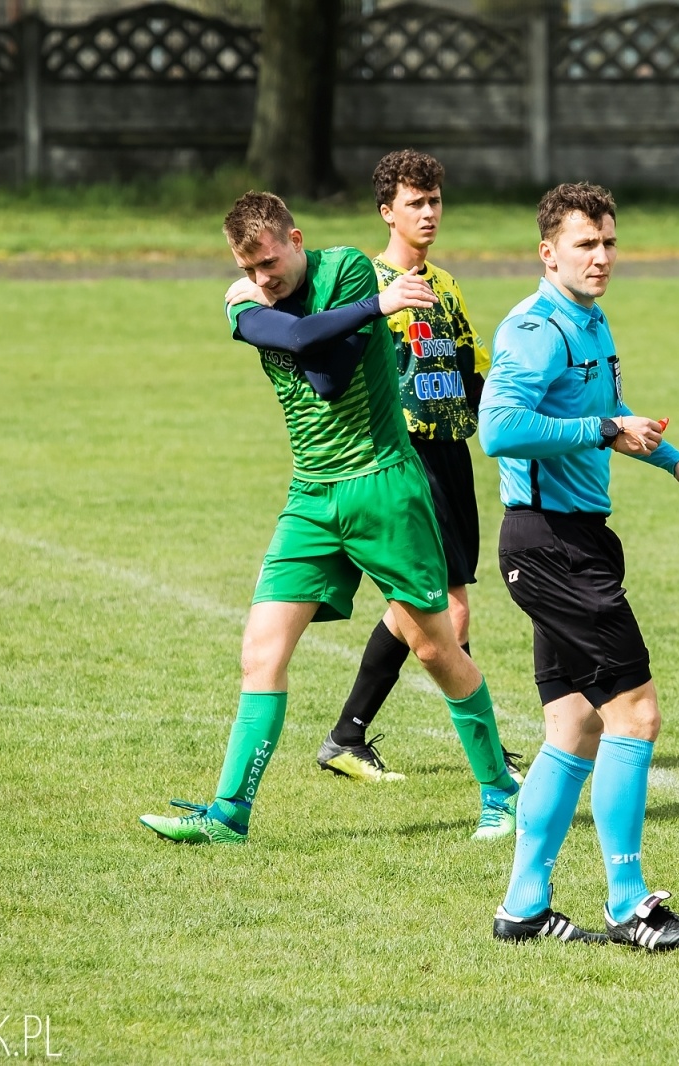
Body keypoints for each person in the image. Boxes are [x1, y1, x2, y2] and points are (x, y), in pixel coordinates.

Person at [138, 191, 522, 846]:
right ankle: (229, 814)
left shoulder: (346, 268)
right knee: (260, 651)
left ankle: (502, 792)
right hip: (311, 495)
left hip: (381, 486)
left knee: (435, 645)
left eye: (269, 261)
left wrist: (323, 319)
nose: (262, 279)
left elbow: (329, 378)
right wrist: (370, 310)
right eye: (249, 269)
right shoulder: (275, 295)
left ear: (295, 238)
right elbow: (292, 338)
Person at [479, 182, 679, 948]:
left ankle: (523, 906)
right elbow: (499, 427)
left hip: (573, 540)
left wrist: (674, 461)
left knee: (575, 726)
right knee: (637, 713)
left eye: (610, 242)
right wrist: (604, 428)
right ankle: (629, 905)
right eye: (586, 244)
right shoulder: (536, 327)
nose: (601, 257)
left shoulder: (590, 319)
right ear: (548, 251)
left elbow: (604, 424)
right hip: (551, 543)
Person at [314, 150, 522, 791]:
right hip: (403, 457)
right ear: (387, 212)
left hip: (452, 453)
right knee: (449, 612)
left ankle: (347, 734)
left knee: (436, 608)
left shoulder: (447, 286)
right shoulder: (367, 288)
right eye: (415, 203)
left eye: (434, 201)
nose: (428, 213)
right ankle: (485, 760)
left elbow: (473, 371)